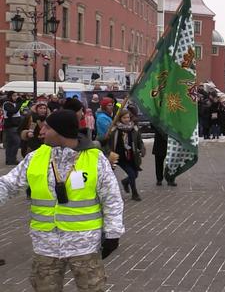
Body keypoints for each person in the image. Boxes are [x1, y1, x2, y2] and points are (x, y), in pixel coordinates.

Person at [0, 109, 124, 291]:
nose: (41, 131)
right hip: (45, 245)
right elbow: (8, 185)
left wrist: (113, 234)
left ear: (62, 132)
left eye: (47, 128)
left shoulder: (95, 159)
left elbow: (112, 198)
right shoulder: (35, 157)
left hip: (84, 245)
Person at [107, 109, 145, 201]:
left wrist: (142, 148)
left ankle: (125, 182)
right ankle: (135, 193)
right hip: (120, 157)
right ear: (120, 119)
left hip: (132, 155)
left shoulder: (134, 128)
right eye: (124, 118)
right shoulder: (115, 130)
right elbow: (109, 142)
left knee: (135, 174)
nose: (127, 119)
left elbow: (139, 140)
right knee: (132, 174)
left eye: (128, 117)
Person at [3, 91, 23, 165]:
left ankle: (9, 160)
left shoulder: (13, 104)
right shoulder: (7, 103)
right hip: (11, 126)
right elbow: (13, 111)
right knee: (16, 142)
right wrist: (19, 103)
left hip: (15, 125)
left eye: (16, 95)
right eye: (14, 96)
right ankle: (12, 159)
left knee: (10, 144)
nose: (16, 97)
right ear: (9, 96)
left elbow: (14, 112)